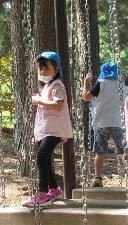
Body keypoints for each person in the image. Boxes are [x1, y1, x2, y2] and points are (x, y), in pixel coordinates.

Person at [23, 51, 72, 207]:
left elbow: (58, 105)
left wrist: (39, 101)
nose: (43, 72)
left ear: (56, 70)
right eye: (40, 69)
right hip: (46, 130)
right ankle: (54, 189)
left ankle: (42, 194)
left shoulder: (57, 85)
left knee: (41, 158)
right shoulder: (47, 86)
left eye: (47, 68)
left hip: (54, 130)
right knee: (44, 159)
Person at [82, 62, 128, 187]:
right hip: (116, 122)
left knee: (100, 152)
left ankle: (98, 178)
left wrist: (86, 82)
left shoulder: (100, 84)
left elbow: (86, 97)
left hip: (100, 122)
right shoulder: (122, 86)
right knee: (123, 150)